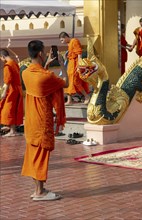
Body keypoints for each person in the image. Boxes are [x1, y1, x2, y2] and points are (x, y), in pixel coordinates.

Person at [21, 40, 68, 201]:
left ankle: (37, 189)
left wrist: (45, 66)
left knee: (33, 155)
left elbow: (39, 81)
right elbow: (66, 83)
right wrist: (63, 65)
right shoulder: (47, 76)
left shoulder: (26, 73)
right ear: (41, 54)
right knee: (41, 156)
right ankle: (40, 193)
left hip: (30, 121)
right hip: (42, 120)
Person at [59, 32, 90, 105]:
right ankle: (69, 100)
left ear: (66, 37)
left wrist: (79, 65)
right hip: (70, 65)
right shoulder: (69, 43)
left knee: (76, 82)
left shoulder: (74, 41)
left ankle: (86, 96)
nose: (62, 42)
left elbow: (79, 53)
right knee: (68, 81)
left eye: (62, 40)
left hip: (75, 64)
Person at [0, 49, 23, 136]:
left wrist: (4, 92)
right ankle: (11, 128)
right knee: (13, 108)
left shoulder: (7, 66)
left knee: (8, 109)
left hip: (12, 90)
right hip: (18, 89)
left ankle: (12, 131)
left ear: (2, 57)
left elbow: (8, 81)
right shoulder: (14, 63)